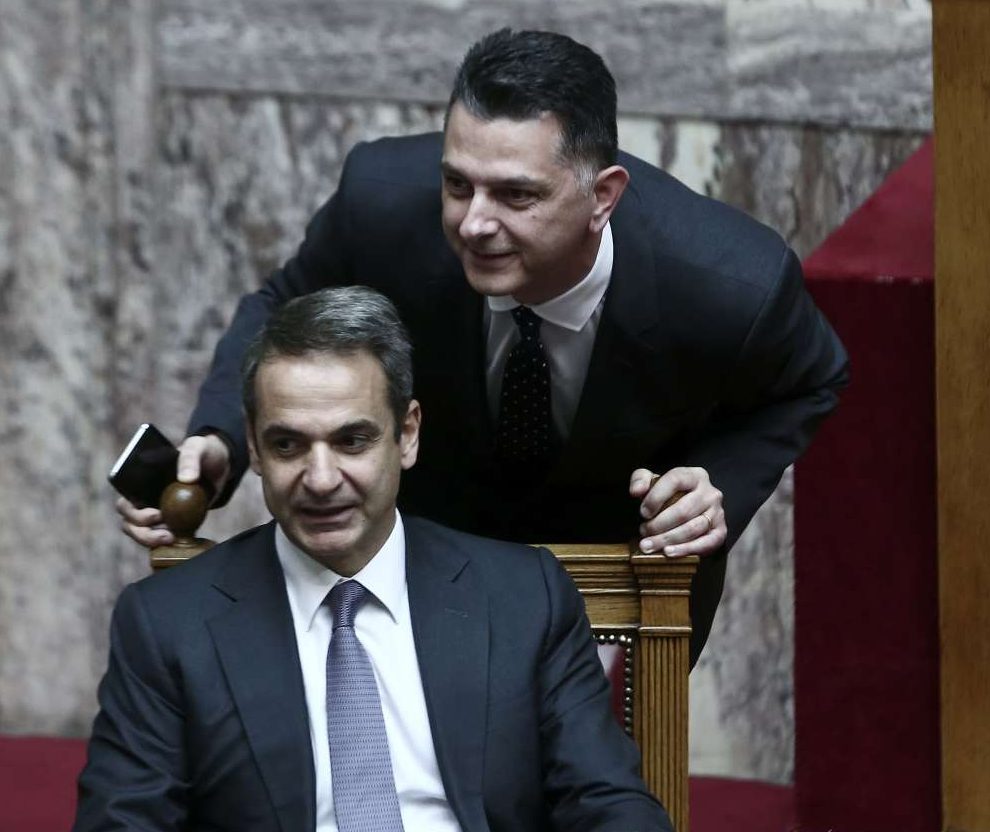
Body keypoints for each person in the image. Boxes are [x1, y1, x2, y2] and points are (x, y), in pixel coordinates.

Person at [118, 28, 849, 663]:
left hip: (614, 583)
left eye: (516, 195)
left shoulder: (731, 282)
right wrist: (222, 437)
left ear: (602, 196)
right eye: (457, 184)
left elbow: (812, 379)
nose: (473, 223)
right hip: (426, 553)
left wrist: (715, 483)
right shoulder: (381, 200)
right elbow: (281, 305)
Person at [76, 287, 672, 832]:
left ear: (406, 435)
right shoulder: (166, 623)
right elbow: (122, 822)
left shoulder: (524, 596)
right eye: (288, 444)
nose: (320, 478)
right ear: (253, 447)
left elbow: (607, 803)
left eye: (351, 440)